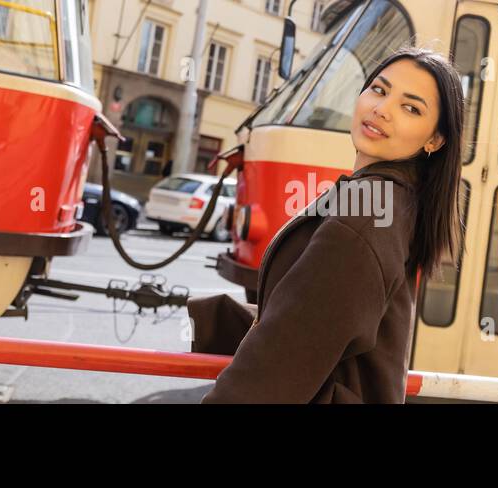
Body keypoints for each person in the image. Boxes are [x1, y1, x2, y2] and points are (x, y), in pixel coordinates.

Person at [189, 46, 466, 403]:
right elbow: (330, 321)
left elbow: (283, 358)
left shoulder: (367, 210)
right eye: (379, 90)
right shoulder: (395, 200)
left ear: (435, 139)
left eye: (411, 108)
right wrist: (218, 321)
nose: (382, 110)